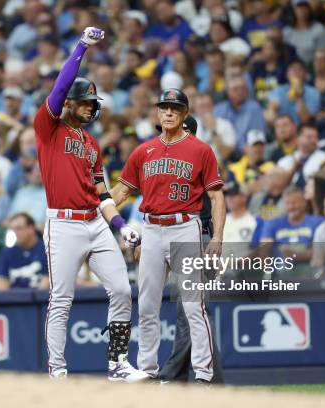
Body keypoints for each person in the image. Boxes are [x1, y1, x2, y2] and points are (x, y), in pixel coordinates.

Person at [34, 27, 147, 382]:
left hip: (95, 223)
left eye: (93, 104)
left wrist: (121, 225)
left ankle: (117, 364)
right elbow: (60, 85)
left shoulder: (92, 145)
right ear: (69, 102)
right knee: (62, 298)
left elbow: (101, 194)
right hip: (64, 224)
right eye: (85, 102)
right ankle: (57, 372)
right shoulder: (48, 128)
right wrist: (82, 46)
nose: (90, 108)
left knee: (121, 290)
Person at [111, 88, 226, 384]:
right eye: (164, 107)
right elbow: (121, 192)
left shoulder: (200, 149)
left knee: (193, 304)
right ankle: (147, 369)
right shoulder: (143, 151)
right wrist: (95, 203)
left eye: (175, 108)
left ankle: (203, 373)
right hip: (150, 228)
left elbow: (217, 197)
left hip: (185, 226)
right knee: (148, 304)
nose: (169, 112)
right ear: (158, 112)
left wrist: (217, 238)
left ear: (184, 113)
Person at [260, 186, 324, 277]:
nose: (291, 207)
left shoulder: (317, 222)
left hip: (309, 270)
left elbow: (321, 252)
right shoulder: (273, 223)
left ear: (304, 202)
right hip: (280, 271)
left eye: (294, 203)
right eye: (287, 203)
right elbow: (264, 249)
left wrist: (296, 255)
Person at [0, 213, 48, 290]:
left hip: (40, 300)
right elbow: (1, 284)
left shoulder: (47, 249)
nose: (15, 232)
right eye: (13, 229)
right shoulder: (6, 252)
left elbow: (47, 283)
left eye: (19, 228)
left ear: (31, 228)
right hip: (12, 300)